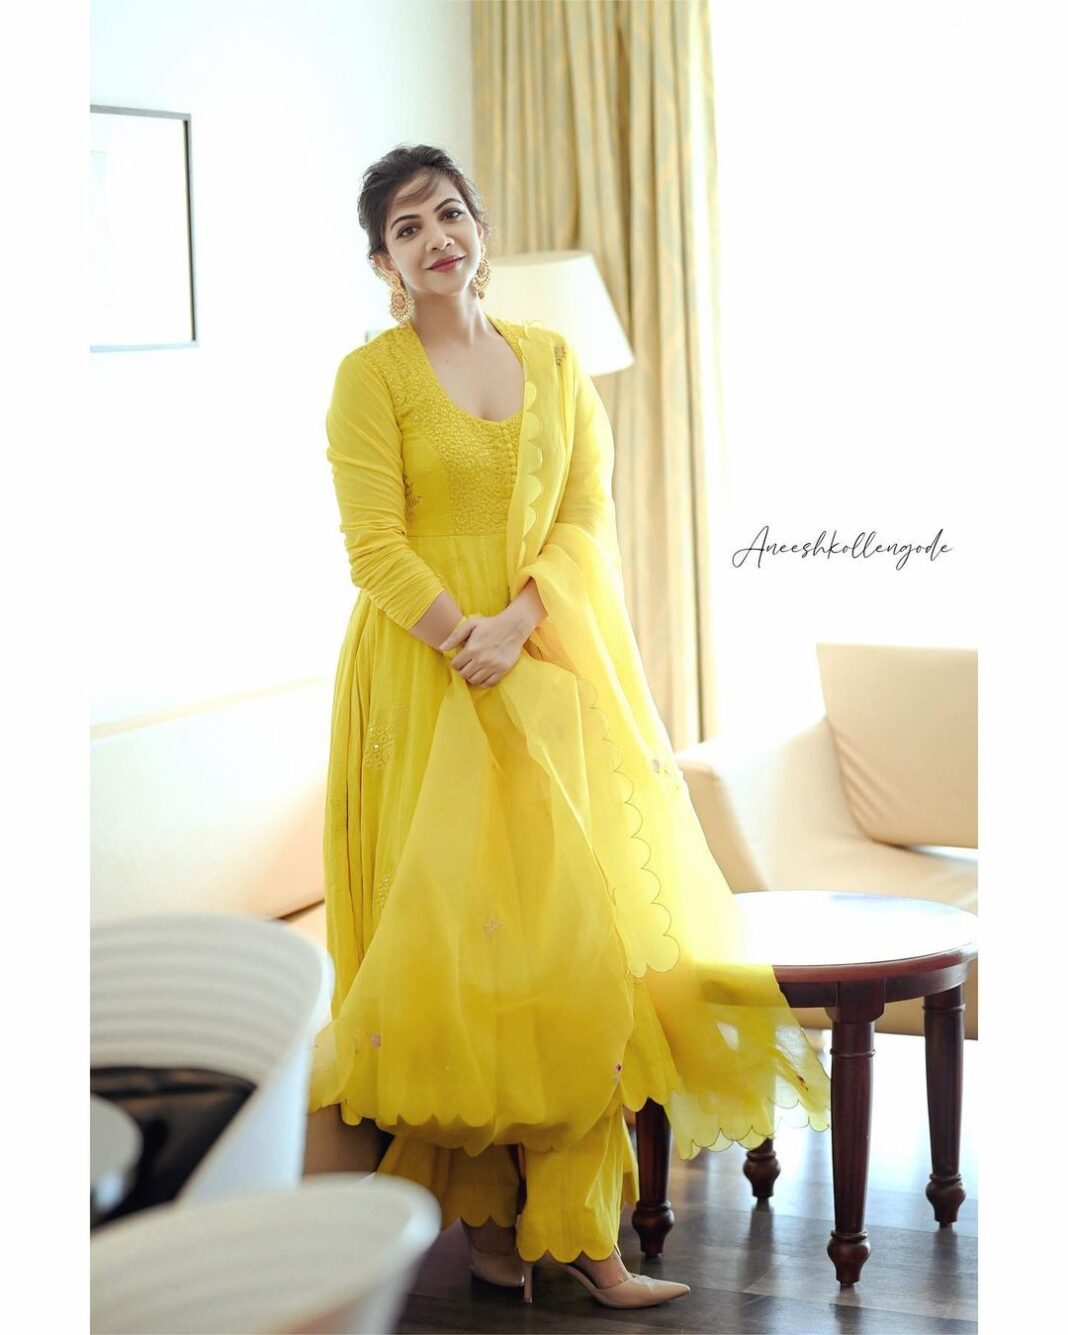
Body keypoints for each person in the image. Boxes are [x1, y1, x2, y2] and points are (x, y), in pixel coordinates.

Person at [307, 143, 831, 1311]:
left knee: (577, 947)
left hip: (542, 673)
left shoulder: (550, 361)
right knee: (472, 956)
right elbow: (372, 545)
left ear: (480, 226)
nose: (436, 238)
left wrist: (518, 622)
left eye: (450, 213)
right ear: (382, 262)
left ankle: (587, 1240)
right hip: (419, 689)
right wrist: (464, 638)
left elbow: (585, 517)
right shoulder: (371, 377)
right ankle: (496, 1234)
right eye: (407, 228)